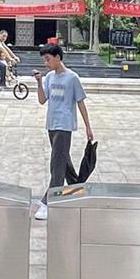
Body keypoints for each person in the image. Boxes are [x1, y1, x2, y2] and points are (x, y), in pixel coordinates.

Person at [32, 43, 94, 221]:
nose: (45, 63)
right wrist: (39, 82)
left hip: (64, 125)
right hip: (51, 124)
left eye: (48, 59)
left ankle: (48, 202)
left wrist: (88, 126)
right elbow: (42, 100)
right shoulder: (49, 77)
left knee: (57, 165)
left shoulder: (72, 78)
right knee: (63, 161)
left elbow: (80, 102)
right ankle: (76, 187)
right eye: (44, 60)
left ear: (58, 57)